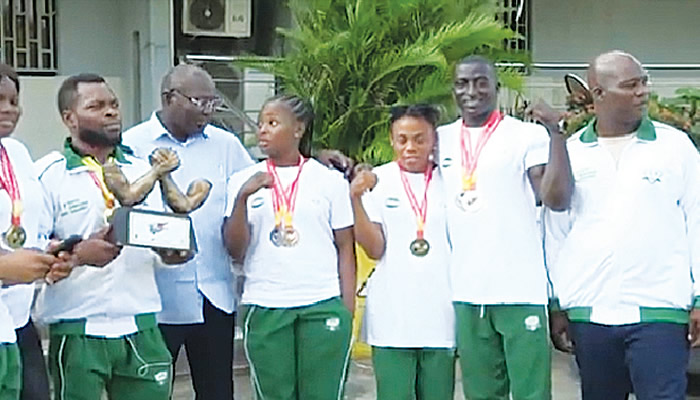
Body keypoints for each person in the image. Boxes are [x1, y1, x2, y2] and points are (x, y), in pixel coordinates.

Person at [545, 50, 700, 400]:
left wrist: (699, 296)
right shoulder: (571, 153)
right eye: (631, 85)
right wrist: (557, 303)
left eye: (644, 83)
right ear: (598, 92)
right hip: (591, 315)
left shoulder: (675, 148)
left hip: (661, 311)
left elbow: (698, 221)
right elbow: (555, 233)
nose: (643, 92)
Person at [33, 73, 178, 400]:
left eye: (113, 104)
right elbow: (31, 249)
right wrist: (80, 253)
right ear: (69, 118)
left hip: (142, 323)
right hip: (77, 325)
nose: (111, 112)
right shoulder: (47, 174)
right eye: (96, 106)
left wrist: (173, 251)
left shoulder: (145, 170)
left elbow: (164, 236)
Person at [437, 55, 573, 400]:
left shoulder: (526, 136)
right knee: (481, 394)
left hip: (520, 291)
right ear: (453, 89)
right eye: (462, 83)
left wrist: (555, 133)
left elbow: (554, 198)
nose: (472, 91)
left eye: (481, 82)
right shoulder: (439, 140)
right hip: (466, 291)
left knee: (531, 393)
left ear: (496, 88)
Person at [122, 64, 253, 399]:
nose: (207, 111)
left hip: (213, 294)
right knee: (151, 391)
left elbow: (257, 191)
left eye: (213, 103)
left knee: (217, 391)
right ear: (169, 98)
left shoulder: (226, 145)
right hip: (155, 299)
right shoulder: (131, 144)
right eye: (198, 101)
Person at [223, 94, 355, 399]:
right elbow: (235, 249)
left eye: (272, 122)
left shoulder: (329, 181)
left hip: (321, 303)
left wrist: (346, 310)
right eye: (260, 124)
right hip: (266, 304)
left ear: (298, 129)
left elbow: (345, 248)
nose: (262, 131)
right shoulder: (243, 180)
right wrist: (243, 198)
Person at [351, 104, 455, 399]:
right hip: (392, 316)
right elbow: (374, 249)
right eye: (402, 139)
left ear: (434, 140)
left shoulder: (450, 181)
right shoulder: (378, 182)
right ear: (392, 139)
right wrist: (355, 200)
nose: (410, 147)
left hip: (441, 315)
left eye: (419, 139)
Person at [0, 63, 71, 400]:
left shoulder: (16, 152)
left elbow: (29, 225)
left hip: (15, 319)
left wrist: (48, 254)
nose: (8, 109)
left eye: (13, 100)